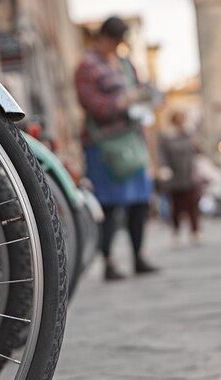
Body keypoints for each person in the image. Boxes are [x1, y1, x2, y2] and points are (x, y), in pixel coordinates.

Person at [74, 16, 158, 281]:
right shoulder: (87, 67)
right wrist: (122, 102)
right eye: (116, 41)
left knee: (139, 202)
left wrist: (145, 99)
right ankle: (108, 262)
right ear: (106, 38)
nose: (118, 46)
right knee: (109, 206)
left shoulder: (125, 64)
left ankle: (139, 256)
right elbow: (92, 104)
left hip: (131, 140)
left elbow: (139, 93)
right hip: (104, 145)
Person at [158, 111, 202, 245]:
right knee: (176, 206)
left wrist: (198, 146)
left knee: (192, 204)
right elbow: (162, 154)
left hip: (189, 173)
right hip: (174, 175)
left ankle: (195, 232)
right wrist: (164, 168)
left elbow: (198, 151)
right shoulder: (166, 135)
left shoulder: (190, 132)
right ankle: (176, 232)